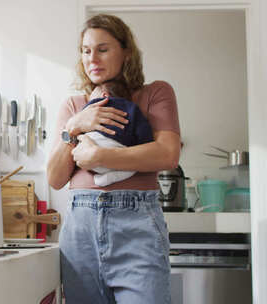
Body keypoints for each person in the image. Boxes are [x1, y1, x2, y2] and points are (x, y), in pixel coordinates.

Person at [47, 14, 181, 304]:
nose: (92, 58)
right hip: (80, 230)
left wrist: (100, 155)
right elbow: (56, 178)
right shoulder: (73, 105)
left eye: (103, 49)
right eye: (85, 50)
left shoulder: (155, 93)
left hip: (137, 227)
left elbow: (168, 154)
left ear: (126, 53)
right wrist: (74, 126)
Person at [81, 82, 154, 186]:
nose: (89, 100)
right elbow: (143, 131)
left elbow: (81, 126)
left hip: (90, 148)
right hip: (117, 152)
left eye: (91, 96)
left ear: (104, 96)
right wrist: (145, 142)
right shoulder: (132, 108)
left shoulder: (93, 106)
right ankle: (106, 179)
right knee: (133, 168)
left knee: (80, 142)